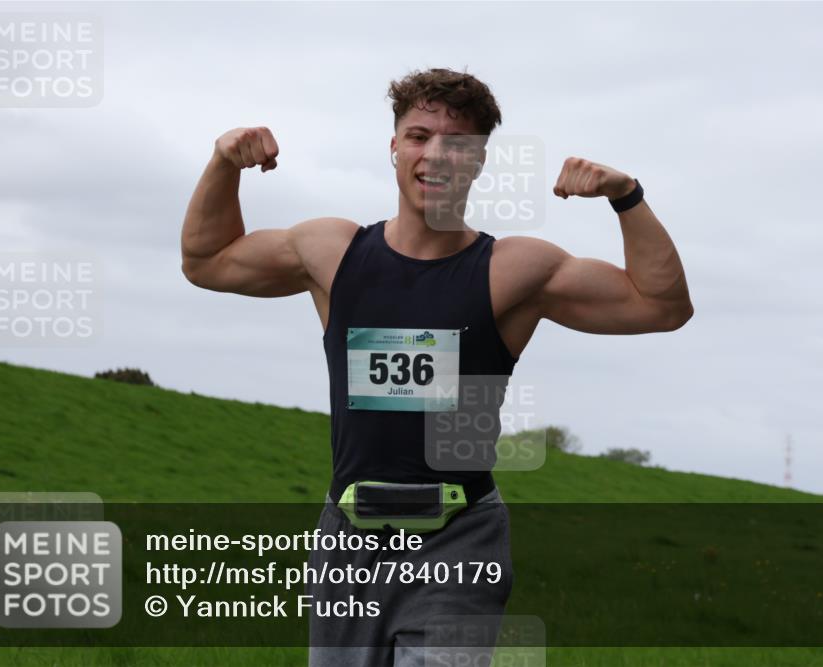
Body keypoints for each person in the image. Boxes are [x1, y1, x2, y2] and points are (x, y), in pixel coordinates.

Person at [181, 68, 693, 667]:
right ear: (394, 145)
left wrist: (626, 195)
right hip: (348, 538)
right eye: (419, 135)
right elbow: (206, 260)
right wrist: (223, 162)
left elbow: (662, 305)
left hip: (459, 540)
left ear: (478, 162)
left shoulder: (514, 269)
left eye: (458, 144)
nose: (436, 155)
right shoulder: (331, 253)